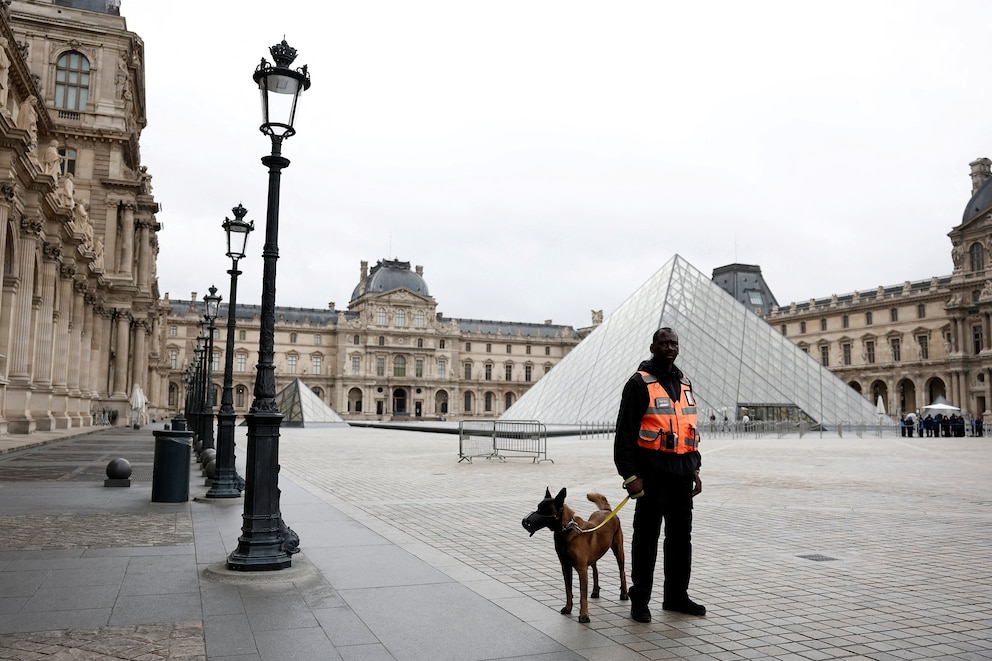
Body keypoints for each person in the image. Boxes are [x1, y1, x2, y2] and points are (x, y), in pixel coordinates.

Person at [614, 327, 705, 623]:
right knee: (646, 540)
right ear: (653, 347)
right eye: (663, 343)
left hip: (681, 475)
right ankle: (640, 599)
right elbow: (624, 435)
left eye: (673, 343)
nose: (669, 347)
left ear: (678, 348)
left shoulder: (685, 382)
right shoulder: (638, 383)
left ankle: (676, 596)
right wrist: (630, 476)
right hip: (651, 478)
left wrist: (695, 468)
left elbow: (688, 429)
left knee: (681, 539)